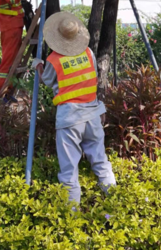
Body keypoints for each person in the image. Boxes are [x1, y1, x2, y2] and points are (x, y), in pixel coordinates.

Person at [32, 11, 116, 203]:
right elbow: (92, 77)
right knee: (101, 161)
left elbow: (47, 79)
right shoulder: (88, 53)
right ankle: (115, 201)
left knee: (69, 170)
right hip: (92, 114)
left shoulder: (53, 59)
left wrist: (38, 66)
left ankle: (71, 216)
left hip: (69, 118)